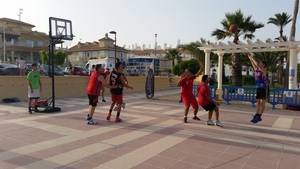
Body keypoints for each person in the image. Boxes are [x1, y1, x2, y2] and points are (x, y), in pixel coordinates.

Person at [247, 53, 269, 123]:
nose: (260, 63)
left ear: (264, 65)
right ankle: (257, 114)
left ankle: (260, 115)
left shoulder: (264, 70)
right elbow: (253, 64)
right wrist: (250, 58)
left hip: (264, 88)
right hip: (258, 88)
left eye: (261, 63)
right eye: (260, 63)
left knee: (263, 102)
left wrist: (252, 57)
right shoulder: (256, 69)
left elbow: (256, 64)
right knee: (258, 102)